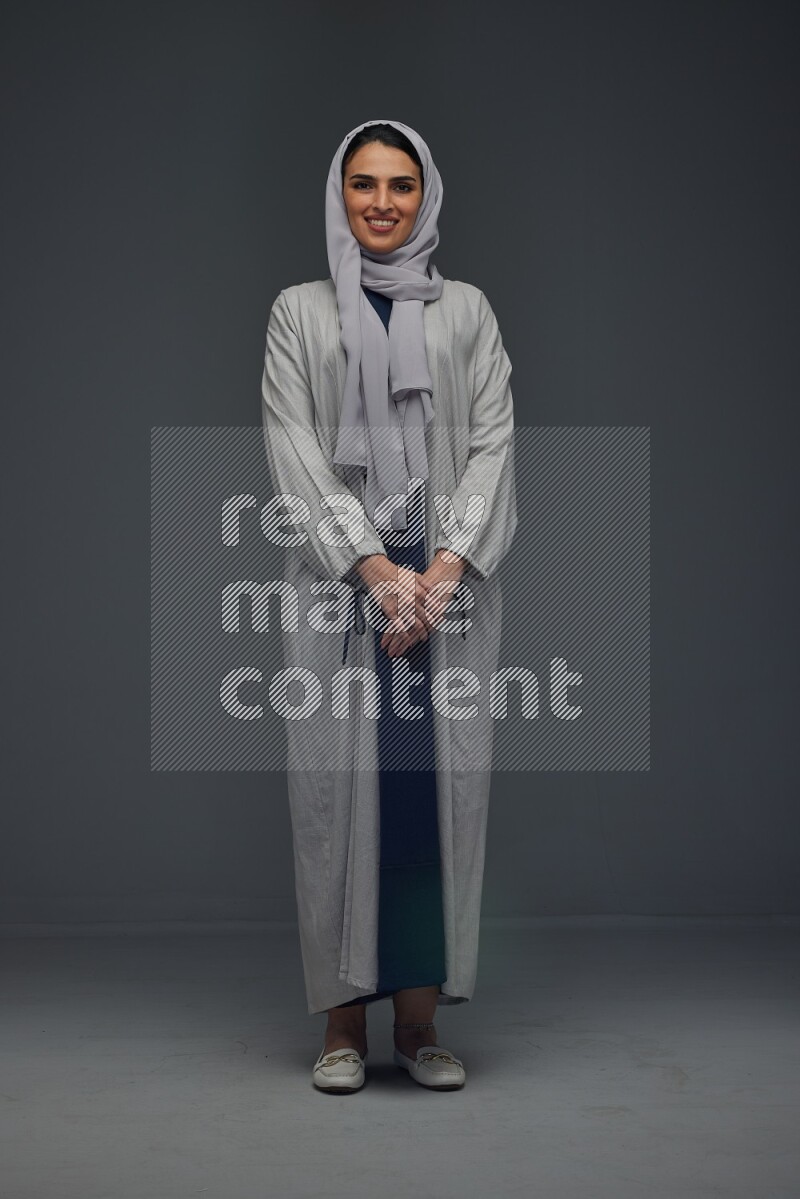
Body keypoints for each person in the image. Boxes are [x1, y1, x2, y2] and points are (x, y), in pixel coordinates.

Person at [260, 119, 517, 1092]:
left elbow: (492, 442)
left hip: (444, 590)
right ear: (339, 193)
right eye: (362, 184)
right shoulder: (298, 312)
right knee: (333, 800)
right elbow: (292, 448)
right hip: (341, 589)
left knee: (432, 800)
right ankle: (339, 1024)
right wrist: (373, 570)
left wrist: (441, 569)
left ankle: (416, 1026)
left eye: (399, 185)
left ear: (425, 194)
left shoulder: (466, 312)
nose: (380, 202)